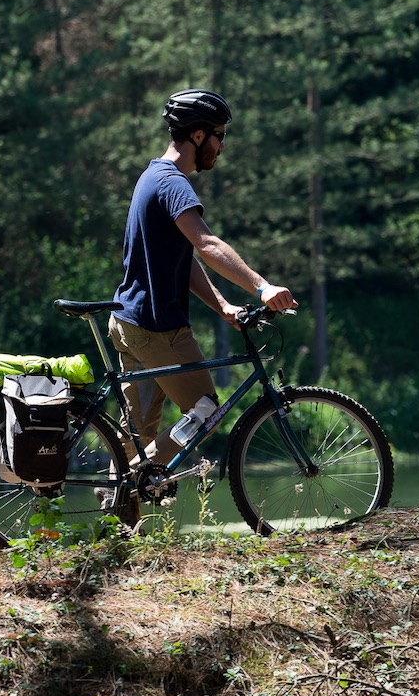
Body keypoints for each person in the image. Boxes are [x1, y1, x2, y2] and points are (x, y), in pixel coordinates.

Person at [109, 89, 298, 464]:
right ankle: (131, 488)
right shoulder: (172, 183)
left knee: (138, 435)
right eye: (220, 135)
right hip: (158, 329)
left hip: (128, 322)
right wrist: (262, 287)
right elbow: (207, 244)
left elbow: (185, 258)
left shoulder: (152, 176)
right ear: (198, 136)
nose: (222, 146)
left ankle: (124, 509)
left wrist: (224, 305)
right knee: (207, 413)